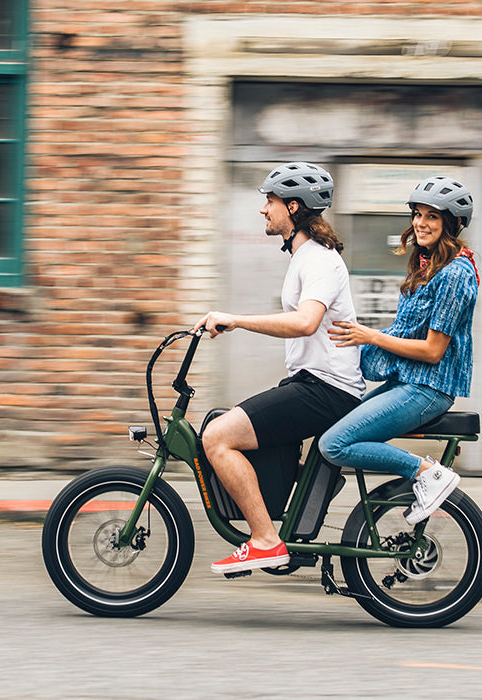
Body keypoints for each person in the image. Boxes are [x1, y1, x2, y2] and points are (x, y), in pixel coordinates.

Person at [194, 162, 365, 576]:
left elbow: (305, 322)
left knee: (216, 436)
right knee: (235, 431)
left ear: (292, 206)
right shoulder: (304, 257)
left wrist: (235, 319)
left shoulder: (320, 260)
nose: (263, 210)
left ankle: (266, 541)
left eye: (269, 201)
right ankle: (282, 528)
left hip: (327, 390)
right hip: (313, 384)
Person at [322, 175, 479, 524]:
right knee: (330, 428)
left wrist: (370, 336)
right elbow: (405, 331)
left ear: (451, 224)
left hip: (429, 388)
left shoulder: (456, 273)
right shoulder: (428, 265)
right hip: (407, 381)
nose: (420, 224)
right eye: (417, 214)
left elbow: (432, 351)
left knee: (334, 443)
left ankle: (427, 472)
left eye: (432, 217)